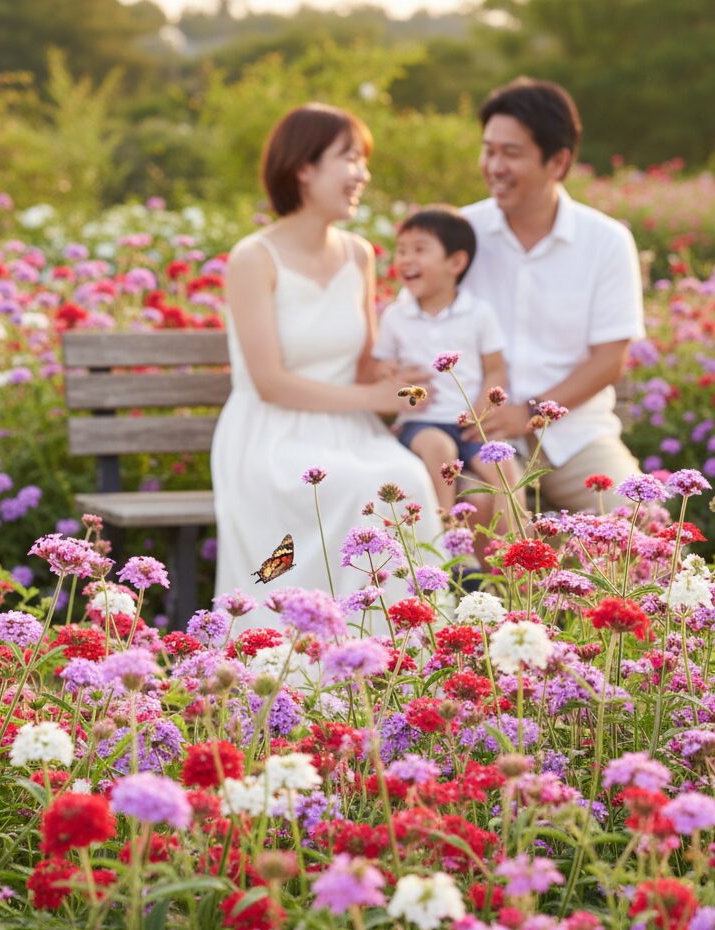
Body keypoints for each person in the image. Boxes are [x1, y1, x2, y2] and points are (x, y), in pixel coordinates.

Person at [211, 103, 442, 620]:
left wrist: (404, 380)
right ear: (303, 167)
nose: (363, 174)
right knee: (352, 487)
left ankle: (402, 642)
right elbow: (269, 382)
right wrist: (371, 396)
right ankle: (287, 640)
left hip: (349, 431)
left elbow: (364, 366)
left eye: (364, 161)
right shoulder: (254, 258)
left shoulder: (359, 254)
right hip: (272, 435)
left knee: (404, 478)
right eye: (350, 159)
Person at [460, 77, 644, 512]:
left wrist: (529, 413)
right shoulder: (460, 235)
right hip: (482, 436)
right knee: (473, 516)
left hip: (575, 436)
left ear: (558, 162)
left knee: (639, 520)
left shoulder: (606, 241)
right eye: (489, 150)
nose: (494, 166)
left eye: (511, 153)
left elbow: (609, 359)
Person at [373, 205, 522, 555]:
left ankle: (513, 554)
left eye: (419, 249)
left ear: (455, 262)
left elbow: (495, 368)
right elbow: (380, 366)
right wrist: (393, 376)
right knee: (440, 449)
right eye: (402, 250)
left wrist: (483, 408)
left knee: (503, 467)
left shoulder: (479, 313)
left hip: (469, 424)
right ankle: (441, 545)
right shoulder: (397, 316)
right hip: (420, 424)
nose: (406, 259)